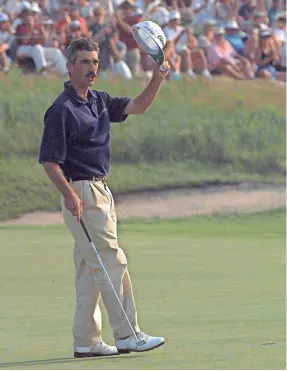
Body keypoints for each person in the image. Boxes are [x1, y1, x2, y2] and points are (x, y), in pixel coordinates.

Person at [38, 37, 169, 358]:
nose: (91, 68)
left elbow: (138, 106)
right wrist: (69, 195)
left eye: (95, 62)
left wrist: (156, 78)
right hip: (81, 191)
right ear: (69, 67)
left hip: (101, 190)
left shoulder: (98, 100)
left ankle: (87, 341)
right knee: (112, 260)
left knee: (89, 269)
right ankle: (128, 334)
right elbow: (49, 160)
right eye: (84, 62)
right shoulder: (61, 109)